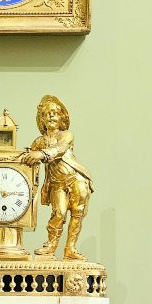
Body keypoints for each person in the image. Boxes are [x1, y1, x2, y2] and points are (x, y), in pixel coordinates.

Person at [22, 96, 93, 261]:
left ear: (61, 117)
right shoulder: (38, 142)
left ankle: (70, 248)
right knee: (59, 213)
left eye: (54, 113)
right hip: (56, 183)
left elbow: (60, 149)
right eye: (47, 114)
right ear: (42, 119)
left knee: (77, 212)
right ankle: (51, 246)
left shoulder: (66, 135)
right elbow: (29, 162)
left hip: (76, 178)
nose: (51, 116)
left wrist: (41, 154)